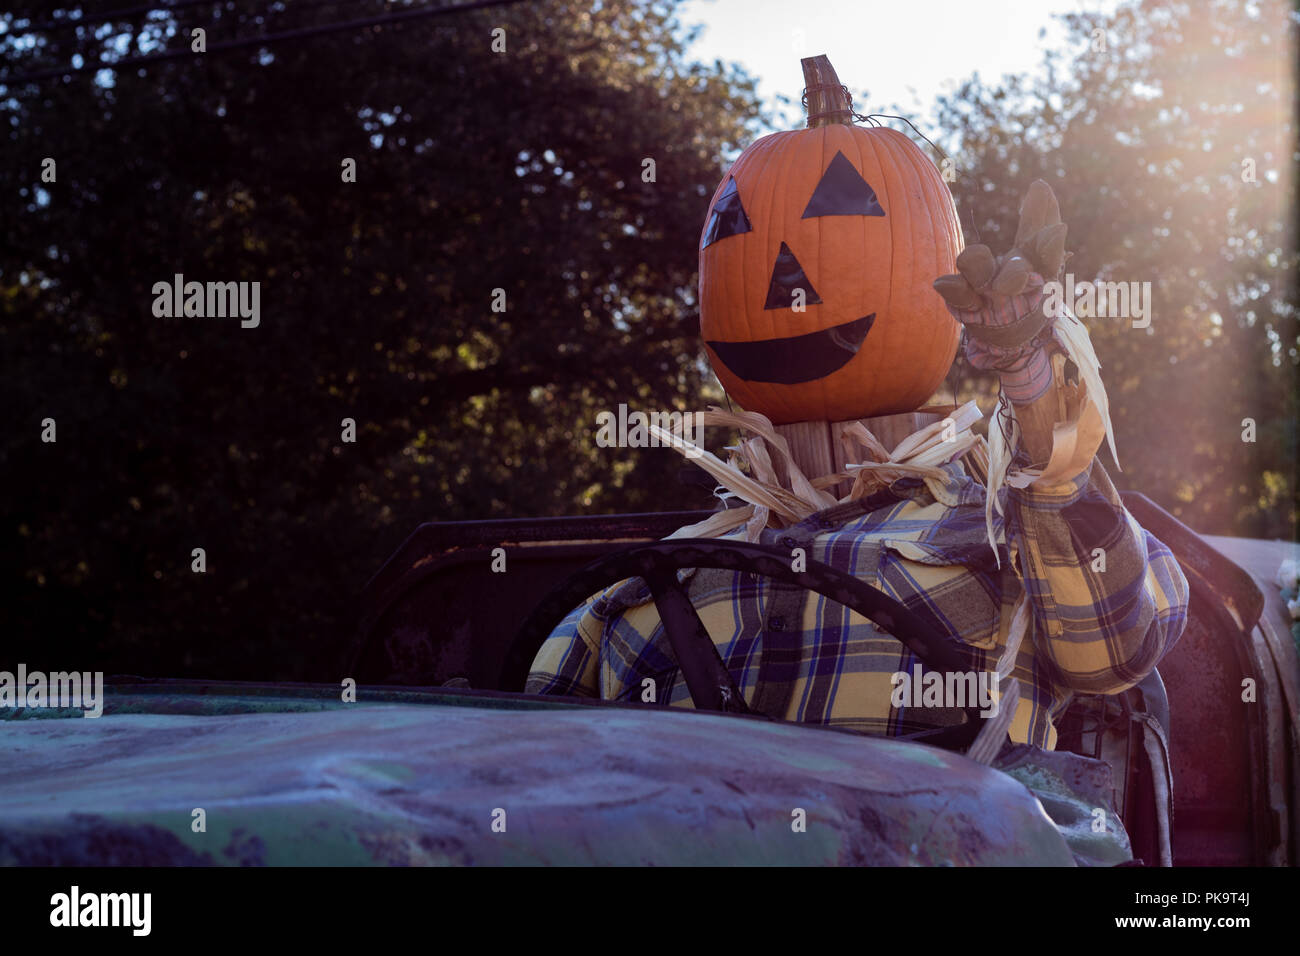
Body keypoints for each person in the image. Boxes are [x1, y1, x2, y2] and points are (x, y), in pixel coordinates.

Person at [526, 181, 1190, 752]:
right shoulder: (638, 584)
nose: (789, 278)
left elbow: (1113, 651)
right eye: (737, 224)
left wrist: (1042, 412)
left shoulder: (1006, 524)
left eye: (844, 202)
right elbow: (524, 773)